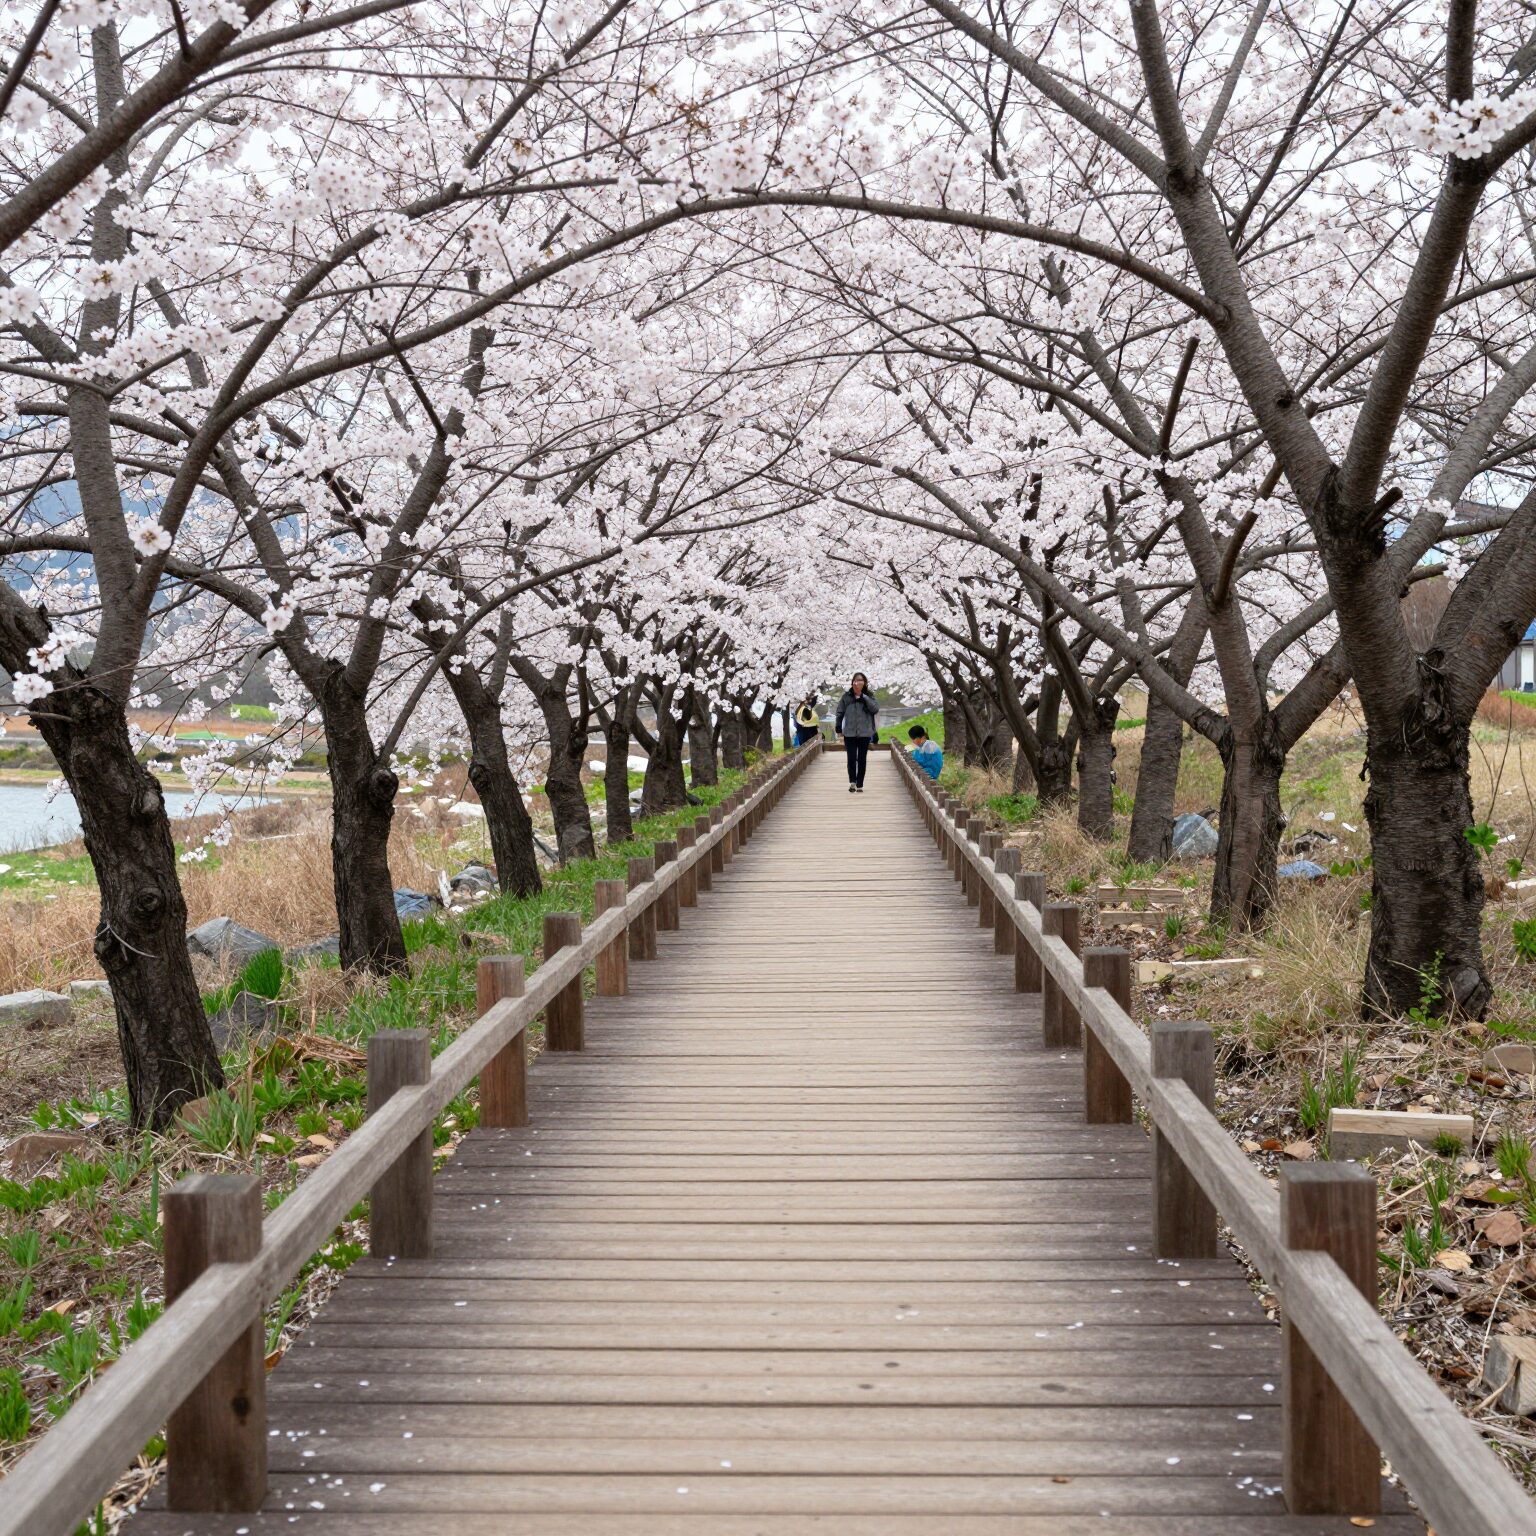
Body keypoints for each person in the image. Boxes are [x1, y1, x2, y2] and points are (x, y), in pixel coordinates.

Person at [835, 672, 880, 792]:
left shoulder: (869, 696)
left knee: (861, 758)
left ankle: (860, 783)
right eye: (855, 680)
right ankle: (852, 781)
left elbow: (875, 709)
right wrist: (838, 726)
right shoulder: (846, 696)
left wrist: (863, 696)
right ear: (852, 682)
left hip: (865, 733)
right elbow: (839, 712)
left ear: (864, 682)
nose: (857, 682)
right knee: (851, 758)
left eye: (860, 680)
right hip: (849, 733)